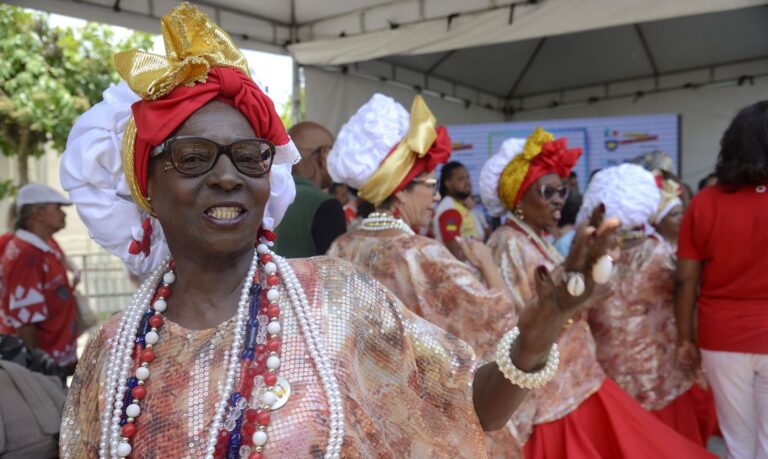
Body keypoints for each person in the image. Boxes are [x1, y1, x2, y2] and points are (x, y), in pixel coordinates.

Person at [57, 5, 620, 458]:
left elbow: (471, 408)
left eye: (250, 157)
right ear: (146, 188)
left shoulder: (333, 297)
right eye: (194, 157)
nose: (227, 176)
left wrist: (540, 331)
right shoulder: (111, 352)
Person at [481, 131, 715, 458]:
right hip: (554, 394)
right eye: (547, 191)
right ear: (519, 197)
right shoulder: (508, 243)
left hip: (582, 377)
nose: (559, 199)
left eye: (562, 190)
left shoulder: (535, 239)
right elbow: (518, 321)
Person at [325, 94, 522, 456]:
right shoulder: (421, 253)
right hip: (427, 423)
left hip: (365, 420)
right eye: (430, 185)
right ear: (400, 190)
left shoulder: (341, 247)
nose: (435, 196)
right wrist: (487, 265)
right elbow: (498, 319)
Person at [583, 165, 715, 446]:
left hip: (609, 372)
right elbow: (691, 290)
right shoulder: (662, 253)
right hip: (659, 374)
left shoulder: (588, 257)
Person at [676, 101, 768, 459]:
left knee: (736, 439)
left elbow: (685, 280)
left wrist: (685, 337)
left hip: (721, 336)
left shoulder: (704, 202)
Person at [0, 183, 78, 374]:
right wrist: (38, 374)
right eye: (57, 208)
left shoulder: (40, 247)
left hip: (55, 358)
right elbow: (25, 323)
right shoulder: (26, 254)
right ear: (38, 213)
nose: (64, 214)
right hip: (44, 367)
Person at [272, 121, 346, 257]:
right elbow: (337, 273)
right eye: (333, 153)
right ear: (323, 154)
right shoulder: (326, 205)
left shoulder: (265, 196)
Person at [434, 161, 480, 258]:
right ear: (448, 184)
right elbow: (454, 248)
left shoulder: (461, 205)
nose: (468, 183)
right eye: (461, 179)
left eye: (468, 177)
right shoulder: (449, 210)